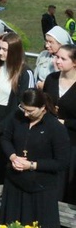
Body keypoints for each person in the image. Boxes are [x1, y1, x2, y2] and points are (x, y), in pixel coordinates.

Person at [0, 88, 70, 228]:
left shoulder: (55, 128)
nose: (25, 114)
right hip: (14, 183)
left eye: (30, 111)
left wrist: (31, 165)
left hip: (40, 189)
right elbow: (5, 139)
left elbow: (62, 162)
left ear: (43, 108)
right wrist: (13, 156)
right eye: (23, 109)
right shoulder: (17, 117)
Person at [0, 32, 35, 186]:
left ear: (15, 52)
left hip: (9, 126)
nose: (0, 52)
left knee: (2, 167)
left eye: (5, 49)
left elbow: (23, 105)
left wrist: (2, 126)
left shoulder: (24, 73)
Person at [44, 44, 76, 203]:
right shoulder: (51, 79)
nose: (57, 61)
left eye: (63, 58)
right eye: (57, 57)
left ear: (74, 62)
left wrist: (64, 122)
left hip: (72, 144)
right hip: (49, 141)